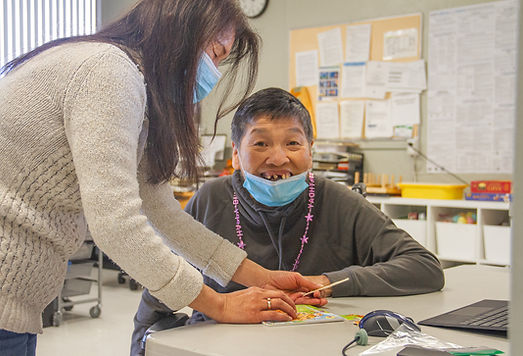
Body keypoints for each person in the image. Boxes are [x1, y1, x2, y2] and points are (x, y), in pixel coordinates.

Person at [0, 2, 324, 354]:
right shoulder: (108, 72)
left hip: (16, 304)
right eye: (214, 54)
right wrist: (219, 304)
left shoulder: (128, 83)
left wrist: (263, 278)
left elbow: (164, 214)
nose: (212, 73)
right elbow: (116, 223)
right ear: (179, 27)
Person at [131, 87, 445, 353]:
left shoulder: (339, 201)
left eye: (293, 143)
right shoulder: (211, 200)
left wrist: (329, 283)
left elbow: (424, 266)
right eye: (260, 143)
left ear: (312, 150)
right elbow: (157, 297)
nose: (279, 158)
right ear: (236, 155)